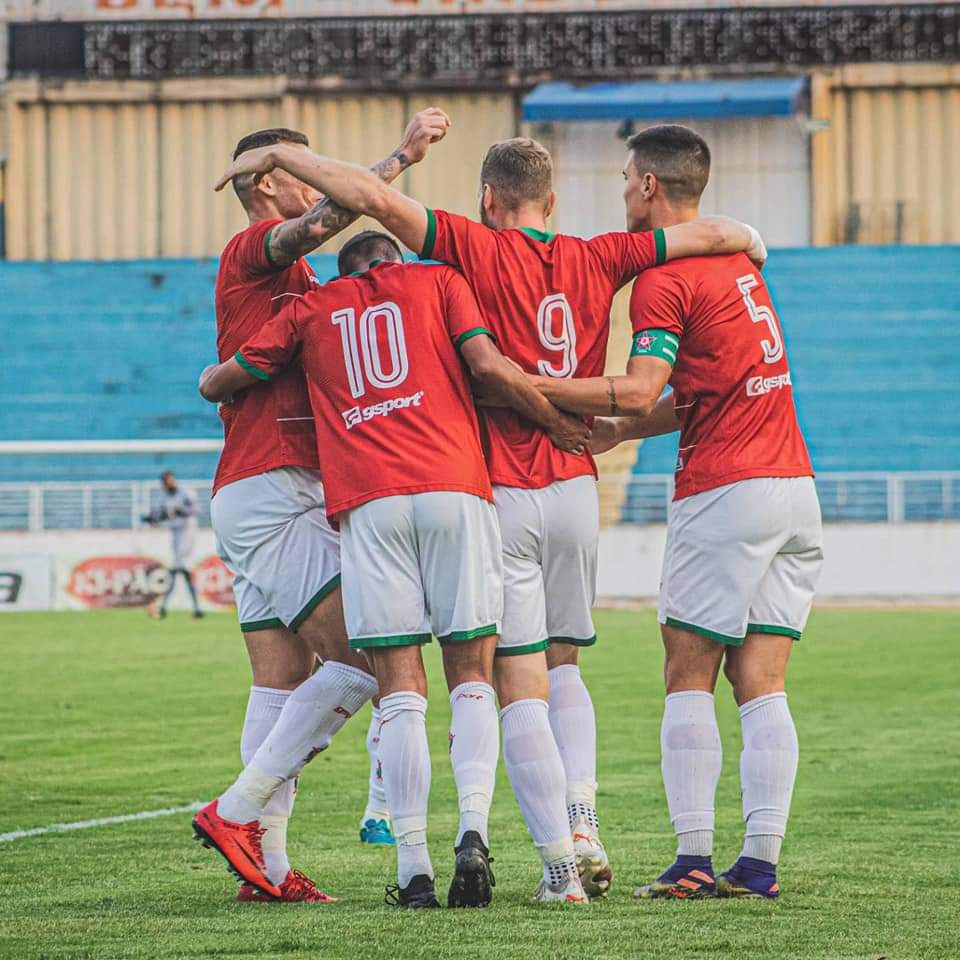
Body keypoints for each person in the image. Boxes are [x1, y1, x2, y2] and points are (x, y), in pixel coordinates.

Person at [212, 134, 766, 901]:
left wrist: (316, 158)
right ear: (554, 201)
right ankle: (578, 832)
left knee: (456, 677)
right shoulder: (598, 254)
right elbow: (701, 233)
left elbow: (364, 222)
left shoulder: (426, 264)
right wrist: (748, 237)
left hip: (468, 487)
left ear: (486, 199)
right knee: (556, 667)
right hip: (564, 483)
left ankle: (444, 859)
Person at [198, 230, 590, 908]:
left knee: (392, 683)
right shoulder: (438, 281)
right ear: (395, 263)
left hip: (362, 501)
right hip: (452, 487)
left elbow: (222, 380)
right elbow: (490, 368)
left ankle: (412, 872)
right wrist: (554, 422)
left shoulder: (312, 307)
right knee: (471, 674)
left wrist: (229, 377)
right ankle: (473, 828)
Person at [526, 124, 823, 900]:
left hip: (726, 488)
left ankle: (692, 858)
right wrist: (626, 429)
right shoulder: (738, 265)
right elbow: (696, 394)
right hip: (793, 487)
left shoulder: (666, 276)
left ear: (651, 187)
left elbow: (638, 384)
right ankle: (757, 864)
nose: (624, 190)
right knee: (762, 680)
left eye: (627, 178)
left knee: (687, 671)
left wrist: (523, 381)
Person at [194, 111, 450, 903]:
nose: (323, 177)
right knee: (371, 661)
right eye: (307, 167)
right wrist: (399, 160)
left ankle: (264, 871)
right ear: (267, 182)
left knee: (280, 682)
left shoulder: (296, 286)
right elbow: (329, 216)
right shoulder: (255, 252)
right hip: (275, 493)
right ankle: (235, 813)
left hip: (260, 491)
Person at [144, 470, 203, 619]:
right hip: (176, 534)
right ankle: (196, 608)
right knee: (183, 571)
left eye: (169, 481)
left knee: (178, 568)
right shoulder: (165, 497)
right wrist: (151, 518)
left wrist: (179, 511)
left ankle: (164, 606)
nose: (167, 485)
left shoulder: (185, 493)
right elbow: (162, 514)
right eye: (165, 482)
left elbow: (195, 509)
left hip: (188, 532)